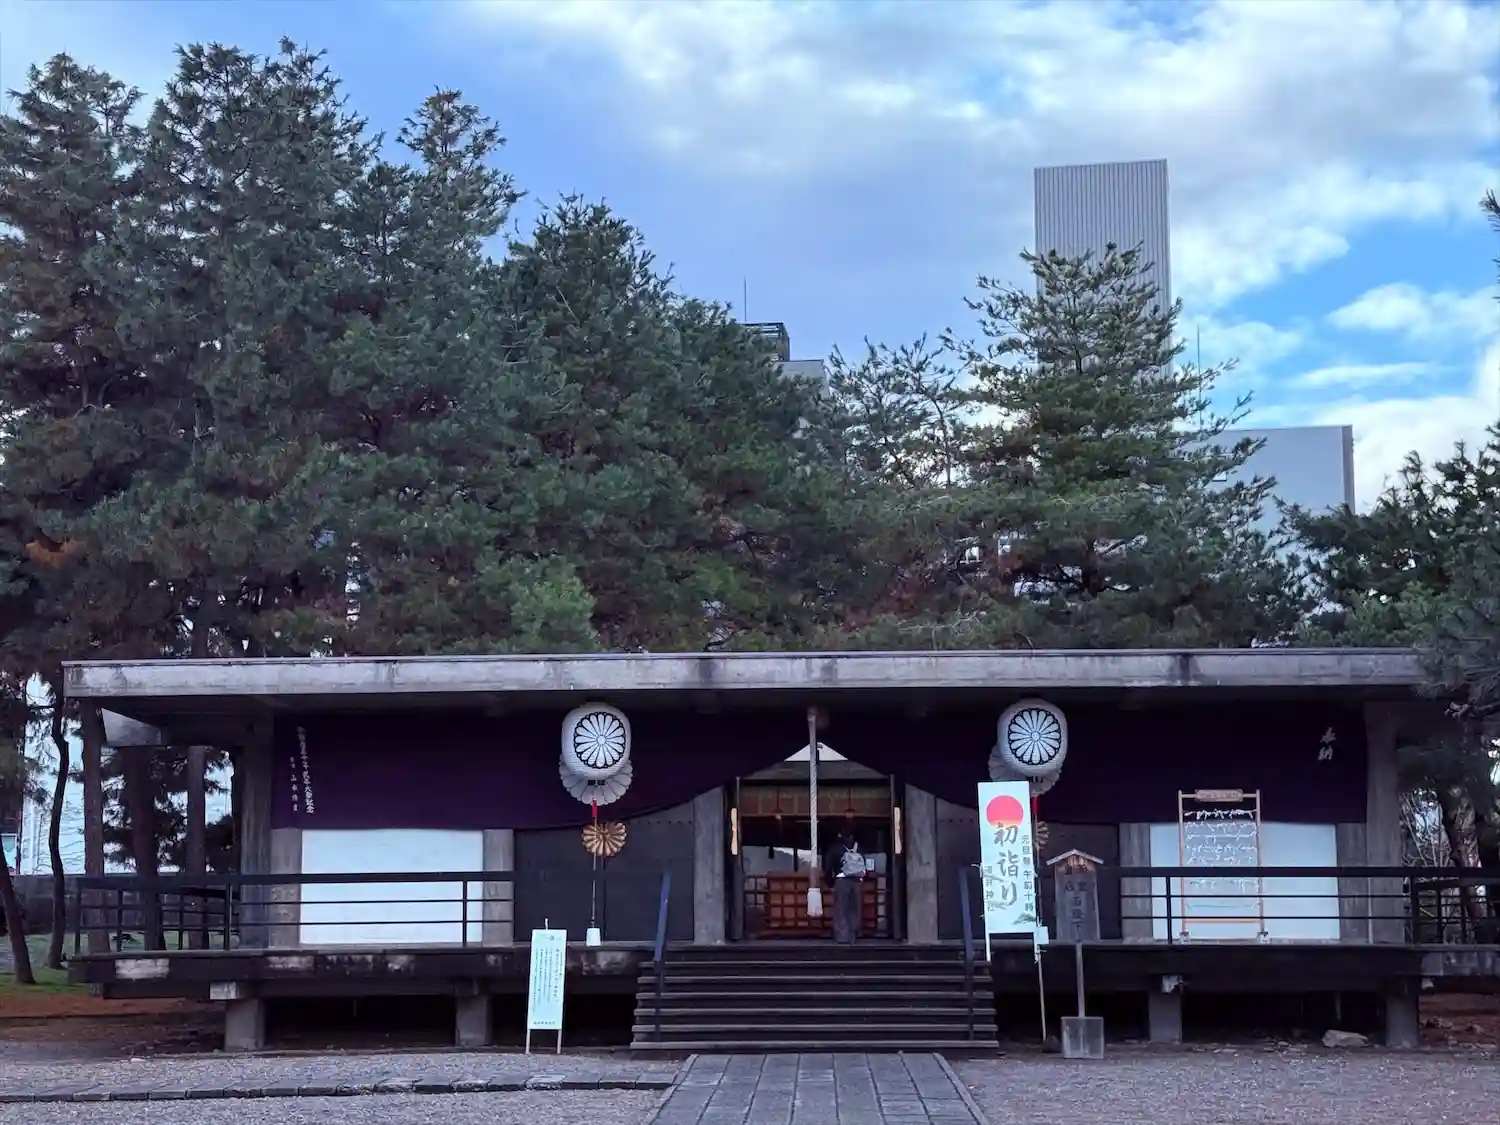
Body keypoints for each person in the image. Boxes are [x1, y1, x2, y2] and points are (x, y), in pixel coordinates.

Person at [824, 827, 865, 944]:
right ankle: (853, 936)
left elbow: (828, 867)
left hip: (841, 880)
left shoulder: (835, 848)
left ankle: (842, 937)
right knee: (854, 908)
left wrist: (830, 883)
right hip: (857, 881)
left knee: (841, 909)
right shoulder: (858, 848)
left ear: (839, 835)